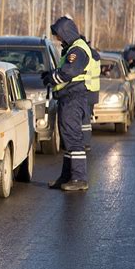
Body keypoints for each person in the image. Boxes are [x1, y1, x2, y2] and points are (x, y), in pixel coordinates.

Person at [41, 16, 98, 191]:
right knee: (68, 138)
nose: (57, 39)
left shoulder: (77, 50)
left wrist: (52, 77)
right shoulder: (72, 48)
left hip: (74, 97)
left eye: (58, 35)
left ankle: (79, 179)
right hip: (68, 97)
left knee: (73, 139)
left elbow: (69, 72)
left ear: (66, 32)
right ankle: (67, 177)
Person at [80, 36, 101, 152]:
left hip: (87, 89)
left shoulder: (85, 54)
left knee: (84, 118)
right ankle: (86, 141)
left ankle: (85, 142)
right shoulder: (95, 54)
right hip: (94, 89)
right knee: (87, 116)